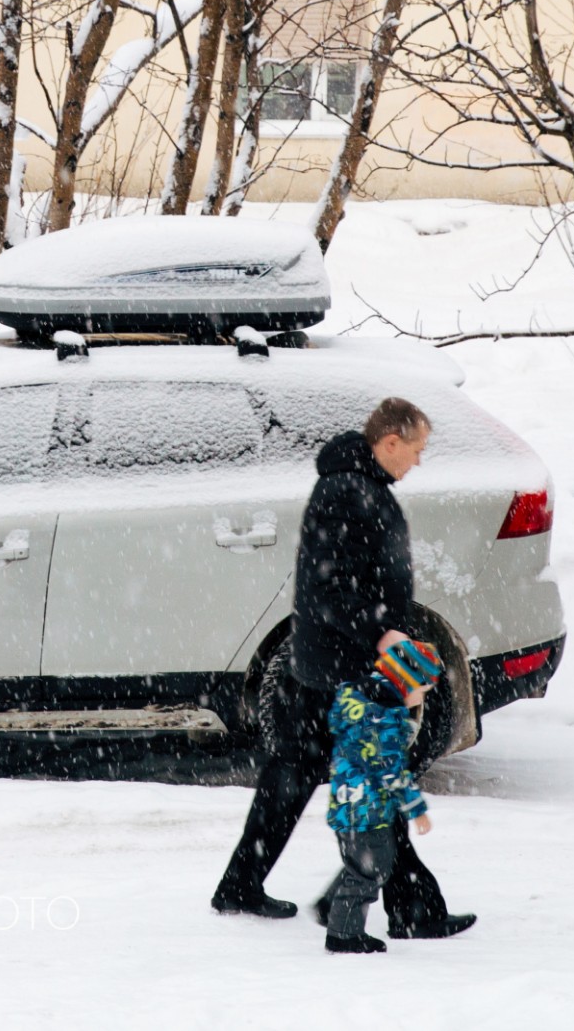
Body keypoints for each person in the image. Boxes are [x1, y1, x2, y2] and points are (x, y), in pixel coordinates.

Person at [209, 396, 475, 941]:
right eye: (417, 450)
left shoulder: (359, 486)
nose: (419, 462)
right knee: (369, 778)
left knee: (297, 772)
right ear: (390, 442)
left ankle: (248, 883)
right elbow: (329, 588)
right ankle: (403, 906)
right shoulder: (347, 491)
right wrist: (384, 633)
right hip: (343, 667)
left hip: (329, 662)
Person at [320, 639, 444, 953]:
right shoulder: (383, 718)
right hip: (367, 810)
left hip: (346, 804)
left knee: (359, 868)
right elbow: (392, 772)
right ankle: (343, 935)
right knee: (368, 874)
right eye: (423, 689)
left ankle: (336, 915)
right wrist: (416, 809)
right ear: (406, 682)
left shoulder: (356, 701)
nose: (421, 698)